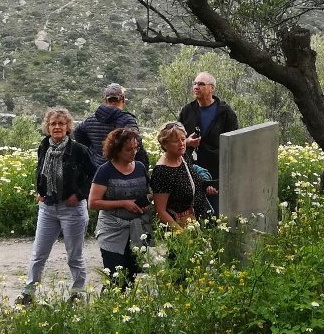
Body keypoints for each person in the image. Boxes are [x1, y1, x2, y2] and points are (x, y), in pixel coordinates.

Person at [16, 107, 95, 306]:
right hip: (48, 208)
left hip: (73, 210)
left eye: (61, 123)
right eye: (53, 124)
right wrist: (40, 190)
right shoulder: (44, 146)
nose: (57, 127)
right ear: (47, 127)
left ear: (68, 127)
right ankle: (28, 293)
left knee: (74, 256)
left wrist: (78, 195)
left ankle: (77, 293)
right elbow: (40, 171)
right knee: (38, 254)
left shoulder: (79, 150)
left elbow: (93, 177)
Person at [88, 128, 152, 291]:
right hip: (112, 229)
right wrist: (123, 203)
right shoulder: (105, 170)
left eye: (136, 148)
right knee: (116, 277)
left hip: (137, 228)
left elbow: (148, 192)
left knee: (130, 276)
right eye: (128, 149)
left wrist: (146, 202)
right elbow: (93, 203)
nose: (134, 152)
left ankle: (123, 311)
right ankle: (107, 310)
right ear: (116, 150)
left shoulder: (140, 167)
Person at [177, 71, 238, 214]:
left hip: (217, 172)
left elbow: (234, 144)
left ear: (212, 88)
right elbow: (174, 139)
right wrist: (187, 142)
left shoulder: (226, 113)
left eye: (201, 84)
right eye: (195, 83)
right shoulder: (187, 111)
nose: (196, 87)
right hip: (191, 171)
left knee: (215, 213)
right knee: (193, 213)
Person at [151, 122, 217, 230]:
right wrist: (180, 233)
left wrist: (206, 187)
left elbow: (191, 181)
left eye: (183, 139)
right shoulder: (161, 172)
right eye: (176, 141)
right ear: (164, 144)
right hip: (181, 228)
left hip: (199, 221)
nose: (182, 143)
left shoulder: (182, 156)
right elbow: (161, 211)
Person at [74, 83, 149, 169]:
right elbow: (135, 144)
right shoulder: (127, 120)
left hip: (96, 169)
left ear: (105, 100)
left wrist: (92, 150)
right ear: (123, 100)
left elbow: (77, 132)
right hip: (120, 170)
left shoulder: (90, 119)